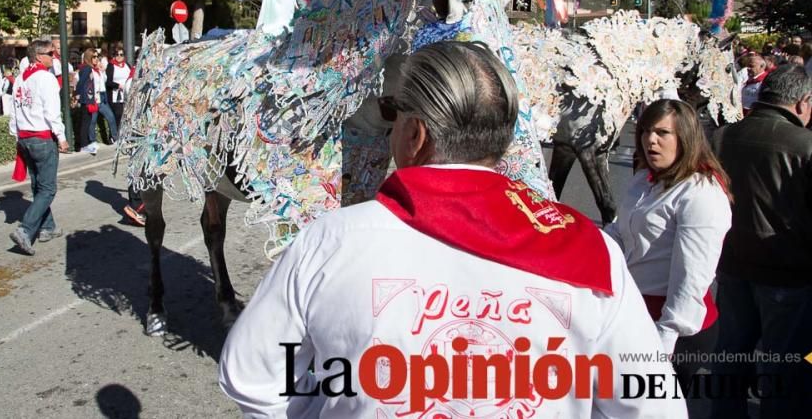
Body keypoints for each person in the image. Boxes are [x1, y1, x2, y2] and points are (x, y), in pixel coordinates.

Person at [219, 41, 686, 417]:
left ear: (415, 133)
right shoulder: (592, 251)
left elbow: (251, 378)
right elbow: (654, 407)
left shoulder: (332, 241)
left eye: (394, 111)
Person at [604, 99, 731, 391]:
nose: (650, 140)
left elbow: (692, 278)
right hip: (636, 313)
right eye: (646, 130)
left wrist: (664, 341)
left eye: (663, 133)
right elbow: (621, 233)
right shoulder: (644, 181)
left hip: (674, 330)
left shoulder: (701, 194)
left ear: (685, 138)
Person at [710, 64, 812, 418]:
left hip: (733, 261)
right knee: (784, 363)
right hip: (788, 270)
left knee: (731, 352)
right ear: (803, 102)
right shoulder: (805, 145)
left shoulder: (722, 136)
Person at [8, 39, 68, 255]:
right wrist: (61, 136)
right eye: (51, 53)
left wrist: (15, 134)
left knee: (38, 185)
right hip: (41, 137)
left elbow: (14, 111)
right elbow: (52, 111)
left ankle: (47, 226)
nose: (54, 57)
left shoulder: (20, 80)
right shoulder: (46, 79)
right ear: (40, 56)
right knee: (48, 188)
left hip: (25, 137)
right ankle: (26, 229)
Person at [76, 48, 102, 154]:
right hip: (87, 99)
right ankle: (84, 144)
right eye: (94, 57)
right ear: (88, 58)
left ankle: (86, 143)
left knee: (88, 121)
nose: (96, 59)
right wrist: (79, 95)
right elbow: (81, 83)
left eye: (97, 57)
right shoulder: (87, 69)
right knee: (86, 122)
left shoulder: (89, 68)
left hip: (89, 98)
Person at [105, 47, 132, 136]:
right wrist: (117, 85)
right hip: (115, 95)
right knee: (118, 115)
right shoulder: (111, 66)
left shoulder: (127, 65)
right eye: (117, 54)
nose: (119, 56)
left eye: (121, 54)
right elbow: (108, 81)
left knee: (126, 115)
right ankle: (115, 135)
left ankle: (124, 134)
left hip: (127, 95)